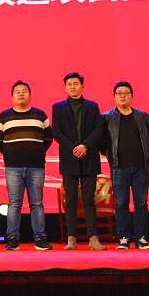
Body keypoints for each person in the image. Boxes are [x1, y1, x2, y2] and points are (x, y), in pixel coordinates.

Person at [0, 81, 53, 251]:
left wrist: (35, 152)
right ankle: (12, 239)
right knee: (14, 203)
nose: (21, 94)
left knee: (37, 203)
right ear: (12, 96)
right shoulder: (4, 116)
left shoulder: (40, 115)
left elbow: (48, 138)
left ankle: (40, 239)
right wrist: (12, 154)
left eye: (24, 91)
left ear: (30, 95)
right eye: (17, 91)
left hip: (36, 166)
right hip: (13, 167)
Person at [52, 72, 106, 250]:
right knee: (71, 200)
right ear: (65, 88)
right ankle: (71, 238)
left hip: (89, 157)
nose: (73, 87)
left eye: (76, 83)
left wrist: (85, 146)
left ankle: (93, 238)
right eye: (69, 84)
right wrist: (73, 147)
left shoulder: (92, 106)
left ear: (82, 86)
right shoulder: (58, 107)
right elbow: (56, 131)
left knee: (89, 199)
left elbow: (99, 129)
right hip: (69, 158)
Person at [101, 81, 149, 250]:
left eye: (126, 93)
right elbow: (102, 142)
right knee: (121, 203)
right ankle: (123, 237)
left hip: (140, 167)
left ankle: (141, 238)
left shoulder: (142, 116)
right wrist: (111, 156)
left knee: (141, 203)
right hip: (119, 167)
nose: (123, 96)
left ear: (131, 96)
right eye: (119, 93)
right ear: (114, 97)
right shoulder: (107, 117)